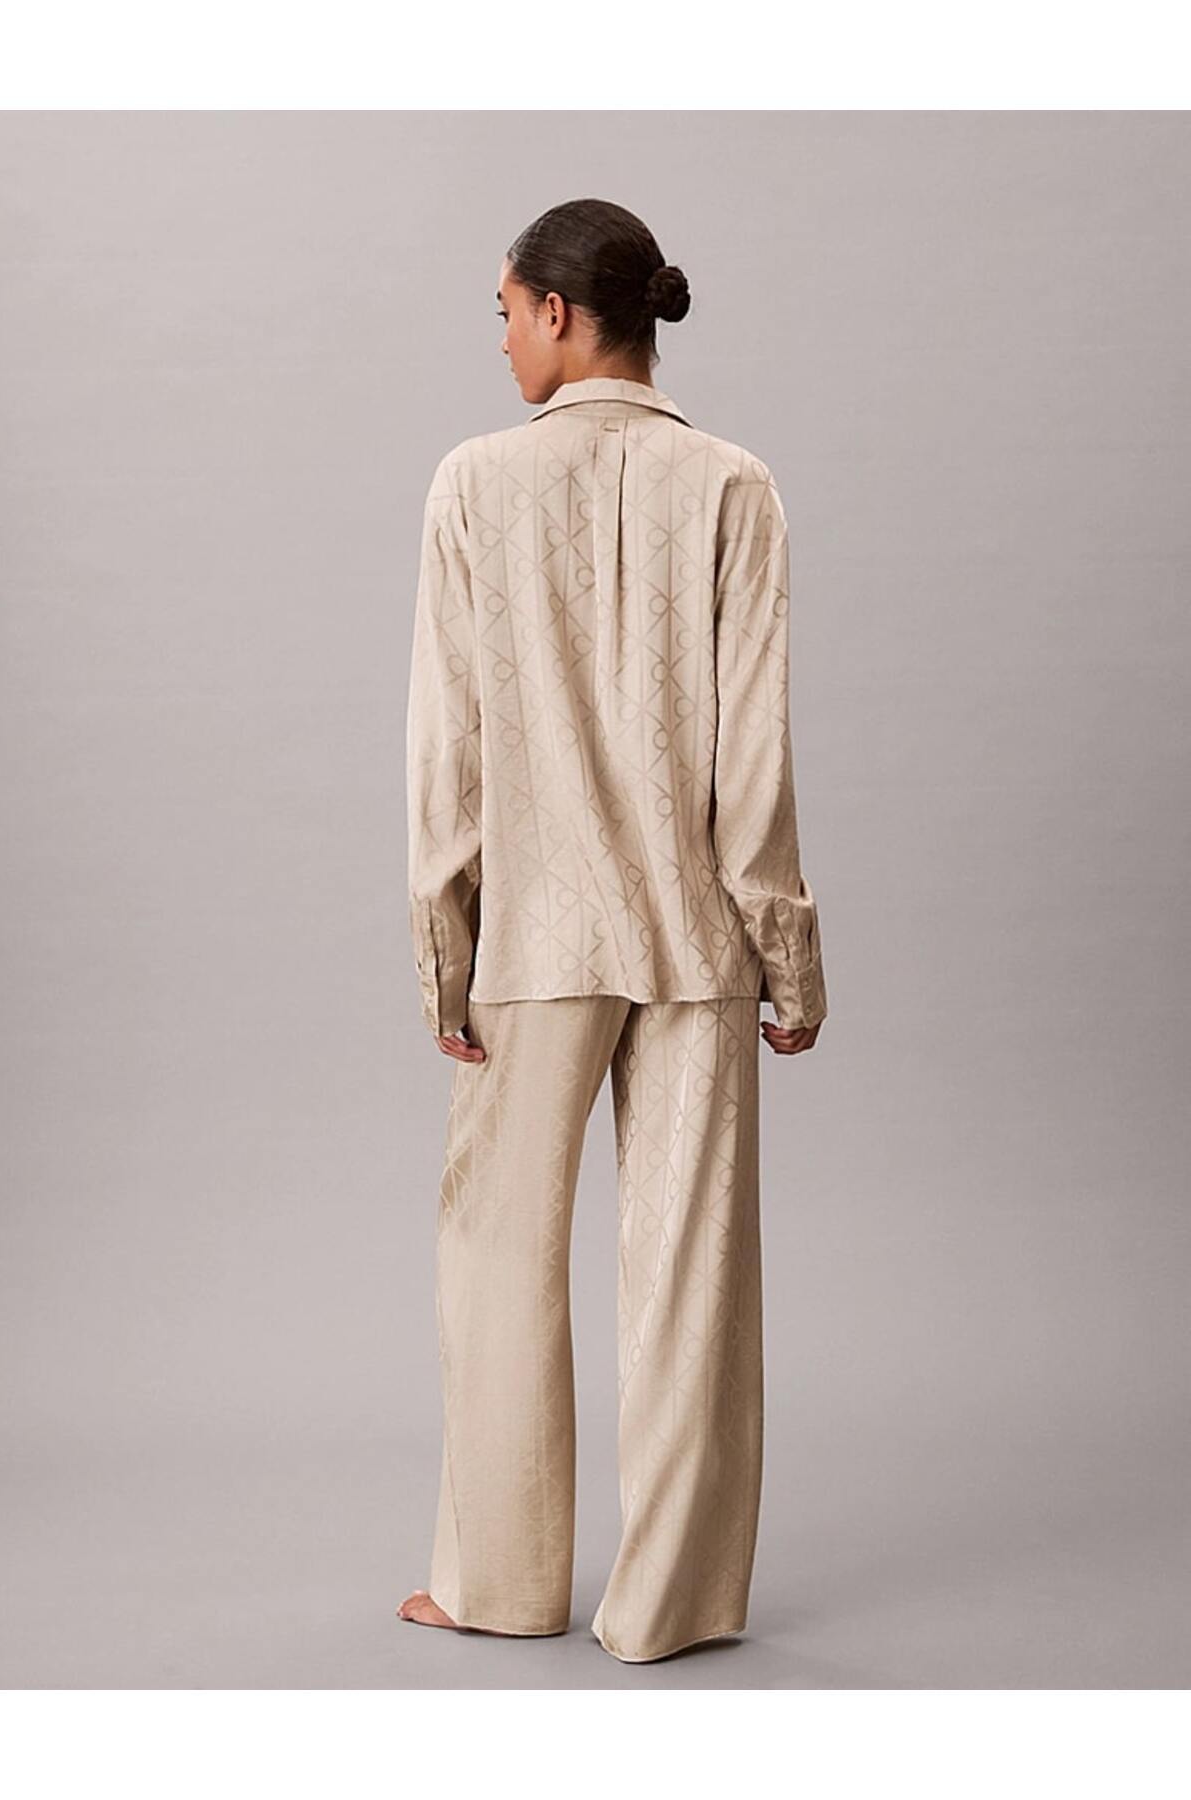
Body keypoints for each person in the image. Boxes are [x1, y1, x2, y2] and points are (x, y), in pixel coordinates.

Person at [398, 197, 828, 1664]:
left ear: (560, 313)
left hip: (534, 937)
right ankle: (672, 1605)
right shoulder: (736, 487)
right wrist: (784, 952)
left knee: (499, 1257)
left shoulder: (475, 483)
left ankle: (498, 1584)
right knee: (694, 1273)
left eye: (505, 312)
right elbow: (755, 759)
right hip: (698, 938)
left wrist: (444, 952)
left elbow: (449, 752)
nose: (501, 341)